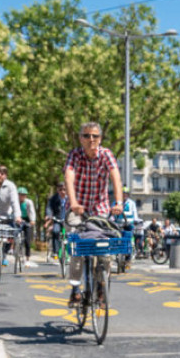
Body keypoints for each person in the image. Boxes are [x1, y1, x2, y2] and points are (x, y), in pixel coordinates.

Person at [63, 121, 123, 306]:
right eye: (87, 135)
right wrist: (73, 202)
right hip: (77, 208)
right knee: (77, 248)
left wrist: (119, 202)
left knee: (104, 249)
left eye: (95, 136)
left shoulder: (106, 155)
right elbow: (68, 176)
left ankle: (100, 286)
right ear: (80, 138)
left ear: (100, 138)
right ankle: (75, 289)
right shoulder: (75, 155)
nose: (91, 139)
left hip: (100, 209)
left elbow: (116, 177)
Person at [44, 183, 69, 259]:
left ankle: (70, 251)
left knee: (70, 235)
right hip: (57, 219)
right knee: (55, 231)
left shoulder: (70, 198)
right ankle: (56, 251)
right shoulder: (53, 198)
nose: (62, 192)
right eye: (60, 190)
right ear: (57, 190)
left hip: (67, 220)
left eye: (64, 189)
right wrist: (49, 215)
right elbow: (49, 208)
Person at [16, 186, 37, 264]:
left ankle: (27, 257)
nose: (21, 196)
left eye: (23, 195)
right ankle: (15, 249)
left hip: (27, 220)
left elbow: (32, 212)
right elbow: (11, 210)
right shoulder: (15, 202)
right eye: (20, 195)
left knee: (27, 241)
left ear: (26, 196)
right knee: (14, 234)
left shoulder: (28, 202)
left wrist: (33, 220)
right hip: (18, 219)